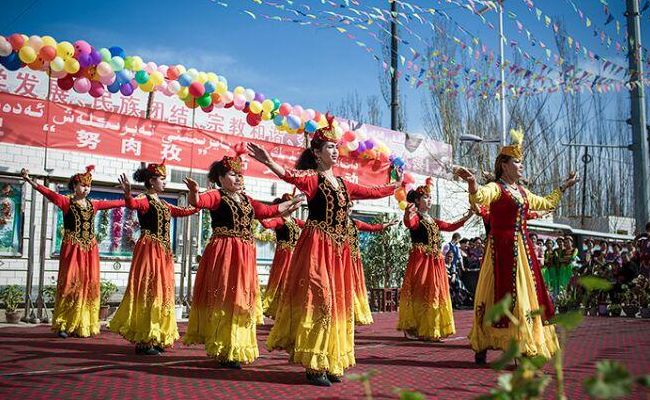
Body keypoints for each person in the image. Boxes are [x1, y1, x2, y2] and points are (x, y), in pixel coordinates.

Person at [246, 113, 401, 386]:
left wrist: (396, 186)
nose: (335, 151)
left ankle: (330, 359)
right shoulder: (312, 179)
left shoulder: (343, 184)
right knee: (320, 300)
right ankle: (314, 364)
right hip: (317, 246)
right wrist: (268, 161)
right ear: (317, 153)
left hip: (339, 251)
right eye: (329, 147)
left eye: (335, 147)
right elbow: (289, 175)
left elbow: (372, 192)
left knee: (337, 303)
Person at [456, 128, 578, 364]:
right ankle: (486, 342)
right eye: (518, 162)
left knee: (524, 293)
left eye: (522, 162)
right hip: (500, 251)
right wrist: (471, 183)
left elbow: (545, 203)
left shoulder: (522, 191)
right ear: (504, 165)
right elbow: (480, 196)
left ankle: (522, 343)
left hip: (522, 250)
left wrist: (564, 187)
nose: (522, 166)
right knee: (498, 293)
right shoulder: (496, 188)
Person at [182, 152, 303, 368]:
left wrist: (292, 202)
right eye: (232, 174)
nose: (238, 178)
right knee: (228, 298)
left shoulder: (248, 200)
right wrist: (193, 192)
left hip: (245, 254)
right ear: (220, 178)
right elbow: (198, 202)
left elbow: (269, 211)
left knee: (241, 300)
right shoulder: (217, 196)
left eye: (240, 174)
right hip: (225, 252)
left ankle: (236, 346)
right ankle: (225, 348)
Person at [21, 167, 124, 338]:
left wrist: (130, 198)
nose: (86, 189)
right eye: (83, 185)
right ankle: (64, 323)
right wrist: (30, 180)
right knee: (70, 282)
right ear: (74, 186)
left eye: (89, 186)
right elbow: (48, 193)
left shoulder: (94, 205)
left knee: (87, 283)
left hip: (90, 248)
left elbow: (116, 203)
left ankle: (83, 323)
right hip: (73, 247)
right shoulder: (66, 202)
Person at [109, 160, 198, 355]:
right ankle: (143, 340)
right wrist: (126, 193)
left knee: (161, 292)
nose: (165, 182)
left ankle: (157, 335)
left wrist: (196, 195)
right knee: (149, 290)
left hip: (163, 252)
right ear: (151, 181)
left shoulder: (164, 203)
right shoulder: (143, 199)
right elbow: (132, 204)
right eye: (162, 179)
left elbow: (188, 210)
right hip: (149, 249)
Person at [398, 183, 472, 340]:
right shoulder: (415, 217)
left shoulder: (433, 220)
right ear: (417, 201)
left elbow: (451, 227)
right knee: (421, 291)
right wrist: (407, 213)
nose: (429, 199)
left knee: (435, 292)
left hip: (435, 261)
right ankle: (415, 327)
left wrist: (469, 216)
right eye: (426, 197)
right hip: (421, 260)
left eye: (430, 197)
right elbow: (409, 224)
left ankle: (432, 327)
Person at [259, 194, 306, 320]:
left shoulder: (295, 221)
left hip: (295, 255)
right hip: (284, 255)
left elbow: (309, 225)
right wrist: (259, 215)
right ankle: (276, 307)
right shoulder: (280, 220)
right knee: (282, 279)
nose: (294, 206)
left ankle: (291, 308)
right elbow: (267, 225)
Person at [347, 214, 397, 325]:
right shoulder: (332, 222)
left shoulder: (354, 223)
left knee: (355, 286)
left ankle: (355, 314)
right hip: (340, 261)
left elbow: (372, 228)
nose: (348, 207)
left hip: (354, 261)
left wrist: (387, 224)